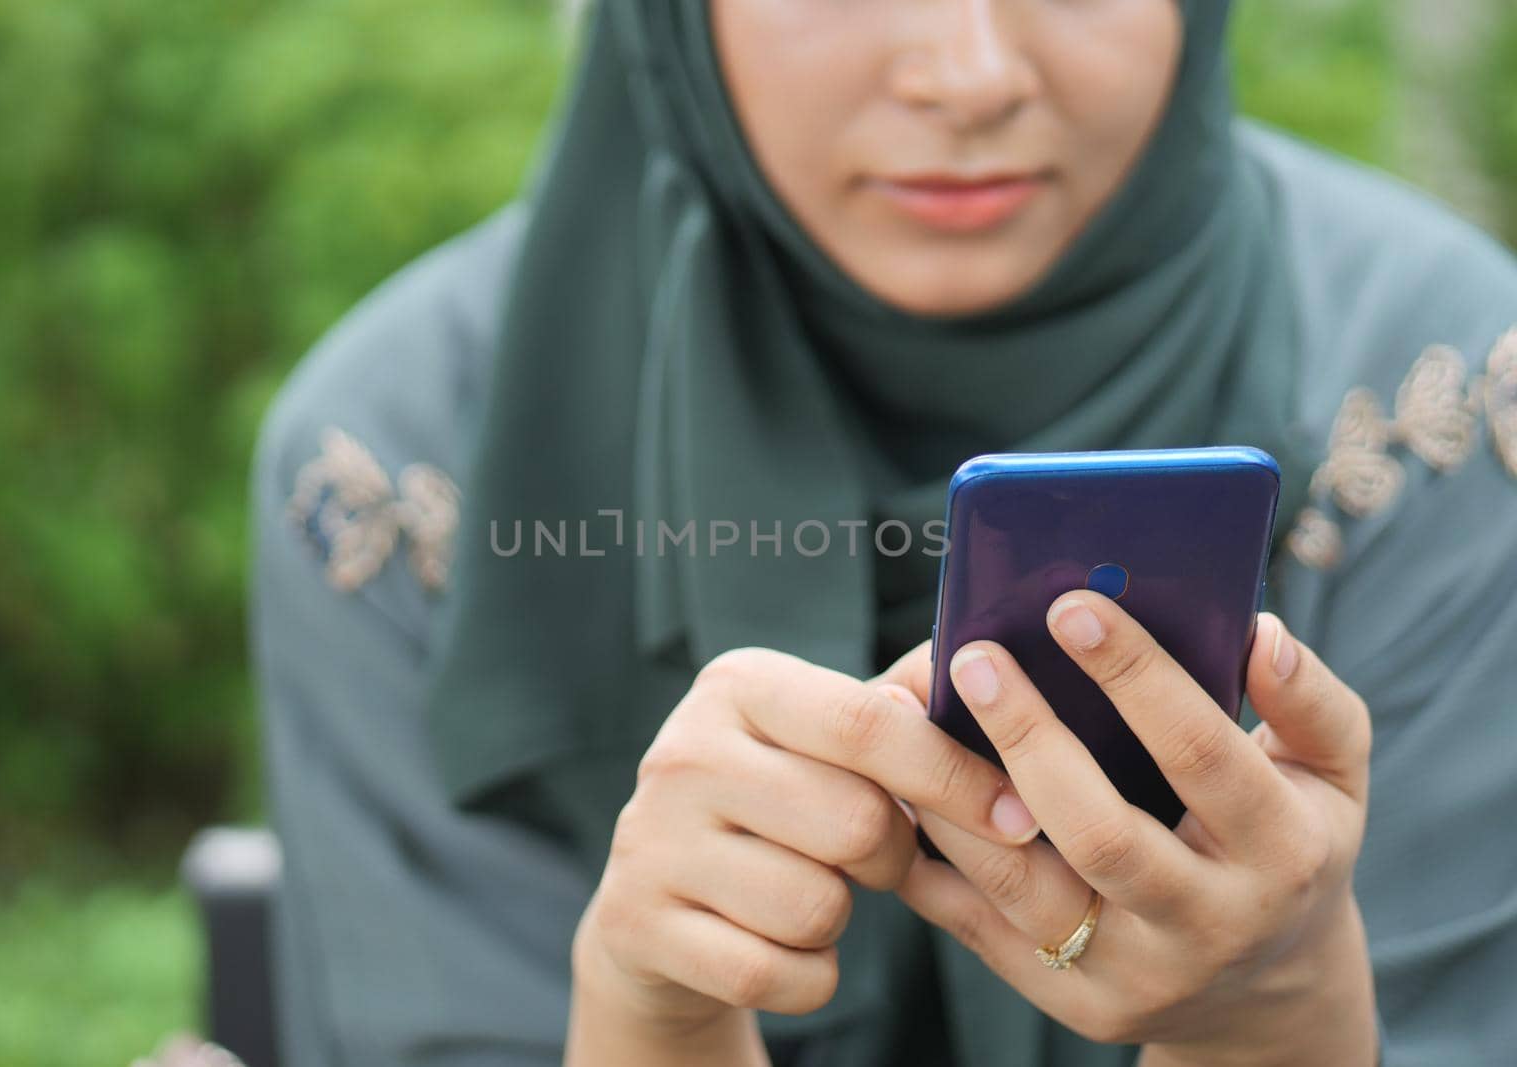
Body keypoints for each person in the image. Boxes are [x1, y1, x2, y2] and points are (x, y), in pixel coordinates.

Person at [250, 1, 1517, 1064]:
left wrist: (1272, 1009)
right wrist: (653, 1014)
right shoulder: (402, 459)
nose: (967, 76)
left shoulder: (1444, 397)